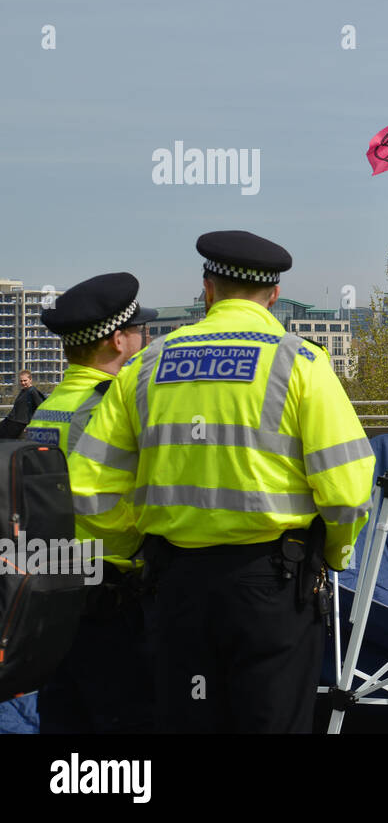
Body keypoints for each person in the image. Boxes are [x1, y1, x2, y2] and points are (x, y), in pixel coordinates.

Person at [70, 231, 375, 733]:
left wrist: (136, 549)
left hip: (176, 587)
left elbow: (90, 487)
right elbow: (346, 490)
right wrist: (333, 554)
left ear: (207, 289)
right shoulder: (299, 362)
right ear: (274, 295)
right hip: (275, 587)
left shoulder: (145, 367)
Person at [30, 273, 159, 733]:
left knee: (66, 718)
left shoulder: (51, 405)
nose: (144, 340)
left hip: (53, 590)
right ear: (117, 340)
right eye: (140, 331)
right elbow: (97, 504)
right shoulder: (106, 405)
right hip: (107, 593)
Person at [0, 369, 46, 439]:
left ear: (30, 380)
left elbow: (41, 408)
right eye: (21, 381)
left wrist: (30, 425)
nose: (23, 383)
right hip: (11, 421)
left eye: (25, 380)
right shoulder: (23, 391)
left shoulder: (33, 391)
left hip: (19, 424)